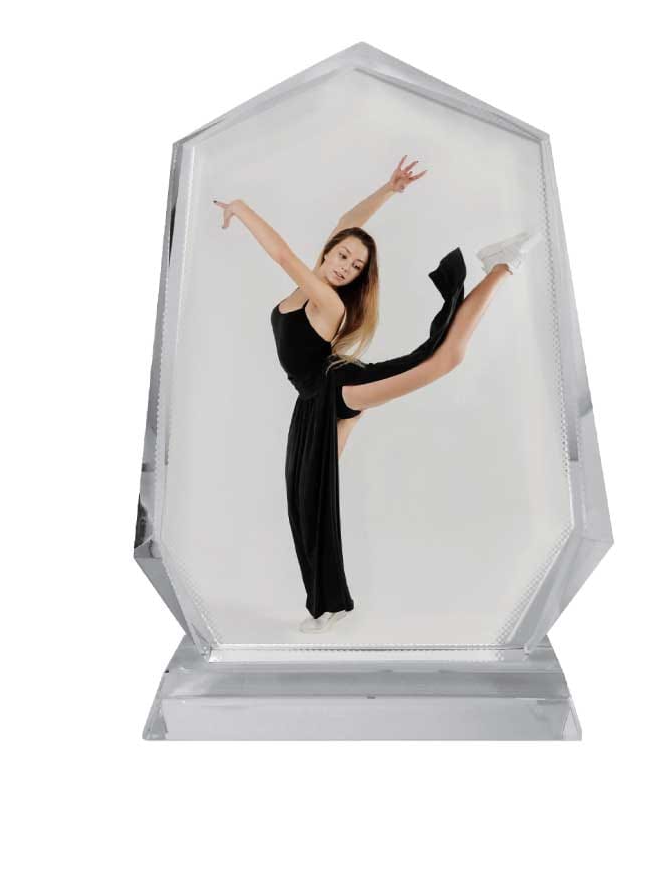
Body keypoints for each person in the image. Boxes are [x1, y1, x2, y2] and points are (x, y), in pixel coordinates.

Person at [213, 156, 542, 633]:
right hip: (310, 404)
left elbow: (283, 255)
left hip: (339, 388)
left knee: (445, 358)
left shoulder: (326, 300)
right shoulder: (316, 278)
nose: (346, 266)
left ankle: (503, 265)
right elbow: (349, 223)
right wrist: (388, 190)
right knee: (306, 501)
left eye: (356, 266)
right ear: (328, 252)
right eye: (343, 256)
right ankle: (329, 605)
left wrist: (242, 208)